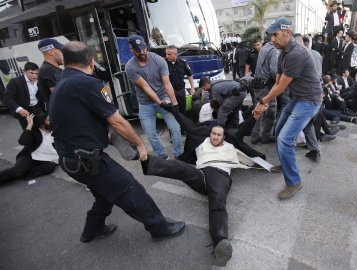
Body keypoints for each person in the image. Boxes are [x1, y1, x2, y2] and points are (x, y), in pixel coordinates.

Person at [49, 41, 185, 243]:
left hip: (70, 159)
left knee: (104, 194)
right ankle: (159, 227)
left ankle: (92, 230)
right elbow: (117, 121)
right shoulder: (87, 83)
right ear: (91, 62)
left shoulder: (63, 81)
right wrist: (139, 145)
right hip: (86, 160)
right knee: (129, 188)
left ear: (66, 62)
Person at [139, 123, 269, 266]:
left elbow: (244, 130)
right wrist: (173, 107)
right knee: (181, 167)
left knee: (217, 204)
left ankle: (220, 243)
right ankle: (147, 161)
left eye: (219, 135)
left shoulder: (231, 147)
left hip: (220, 176)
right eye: (213, 133)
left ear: (224, 137)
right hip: (201, 174)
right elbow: (187, 124)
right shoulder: (203, 143)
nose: (215, 137)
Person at [253, 18, 323, 200]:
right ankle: (285, 164)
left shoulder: (296, 53)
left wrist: (261, 103)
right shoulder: (282, 51)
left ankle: (294, 182)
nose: (272, 39)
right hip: (297, 98)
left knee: (284, 138)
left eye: (275, 35)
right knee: (278, 130)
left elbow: (281, 87)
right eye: (271, 35)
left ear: (287, 33)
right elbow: (277, 81)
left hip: (309, 101)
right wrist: (267, 101)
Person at [124, 35, 183, 159]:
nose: (142, 52)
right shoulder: (130, 67)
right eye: (138, 50)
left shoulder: (159, 60)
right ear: (132, 50)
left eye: (144, 48)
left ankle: (178, 154)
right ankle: (163, 156)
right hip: (145, 103)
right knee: (151, 134)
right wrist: (159, 102)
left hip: (164, 97)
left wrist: (174, 103)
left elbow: (167, 83)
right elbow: (145, 87)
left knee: (175, 128)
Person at [0, 112, 57, 184]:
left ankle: (24, 173)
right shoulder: (35, 131)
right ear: (41, 123)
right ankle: (21, 171)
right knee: (17, 170)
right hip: (30, 156)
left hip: (48, 158)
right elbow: (23, 141)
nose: (51, 121)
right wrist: (29, 125)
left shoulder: (55, 129)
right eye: (48, 121)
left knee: (49, 168)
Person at [250, 38, 279, 145]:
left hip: (257, 84)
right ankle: (265, 136)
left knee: (257, 110)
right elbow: (274, 71)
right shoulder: (273, 50)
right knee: (271, 112)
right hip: (266, 87)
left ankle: (254, 136)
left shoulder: (264, 48)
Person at [5, 62, 44, 129]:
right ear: (24, 71)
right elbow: (8, 98)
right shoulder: (15, 82)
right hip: (24, 110)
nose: (34, 76)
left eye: (36, 73)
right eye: (31, 73)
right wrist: (19, 109)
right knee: (29, 131)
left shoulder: (39, 80)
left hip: (37, 108)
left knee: (42, 128)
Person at [165, 45, 196, 115]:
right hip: (169, 91)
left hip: (180, 90)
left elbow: (190, 75)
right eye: (166, 53)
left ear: (175, 54)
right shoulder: (163, 63)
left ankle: (183, 125)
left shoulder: (183, 63)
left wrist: (192, 87)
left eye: (169, 54)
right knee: (172, 111)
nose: (166, 56)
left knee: (182, 110)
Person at [37, 38, 64, 110]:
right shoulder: (48, 70)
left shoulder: (52, 69)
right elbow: (61, 96)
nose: (64, 54)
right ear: (51, 52)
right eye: (61, 51)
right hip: (60, 113)